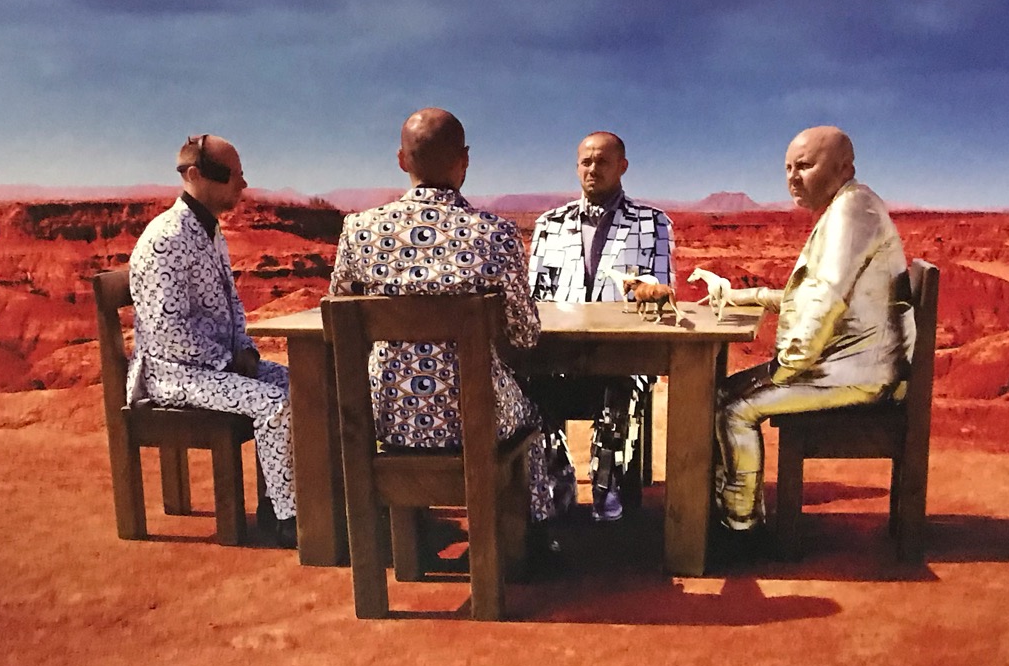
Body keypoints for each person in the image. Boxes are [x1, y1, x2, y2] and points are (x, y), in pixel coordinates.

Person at [327, 108, 556, 556]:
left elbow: (340, 311)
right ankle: (529, 541)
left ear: (401, 160)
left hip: (386, 415)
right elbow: (526, 335)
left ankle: (399, 540)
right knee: (531, 417)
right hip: (477, 418)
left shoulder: (359, 231)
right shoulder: (495, 234)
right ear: (464, 160)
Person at [714, 126, 909, 535]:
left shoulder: (853, 211)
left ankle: (739, 527)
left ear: (844, 168)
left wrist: (785, 368)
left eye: (804, 166)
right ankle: (727, 508)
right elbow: (808, 295)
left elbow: (826, 297)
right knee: (724, 392)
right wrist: (743, 296)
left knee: (734, 408)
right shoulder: (846, 206)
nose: (793, 178)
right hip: (848, 362)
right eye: (788, 168)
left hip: (858, 372)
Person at [126, 133, 297, 547]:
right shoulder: (167, 238)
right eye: (231, 175)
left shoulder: (210, 229)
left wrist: (245, 349)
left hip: (214, 366)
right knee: (273, 404)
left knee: (300, 385)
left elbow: (231, 300)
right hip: (175, 374)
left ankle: (278, 500)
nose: (242, 184)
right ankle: (289, 520)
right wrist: (226, 361)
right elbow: (168, 329)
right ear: (194, 175)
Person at [527, 131, 674, 522]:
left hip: (625, 354)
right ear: (577, 167)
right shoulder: (549, 224)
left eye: (603, 161)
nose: (593, 169)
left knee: (619, 390)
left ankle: (607, 486)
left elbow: (660, 291)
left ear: (622, 167)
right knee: (528, 389)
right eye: (586, 161)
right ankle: (557, 482)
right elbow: (533, 299)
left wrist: (647, 291)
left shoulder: (652, 223)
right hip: (560, 356)